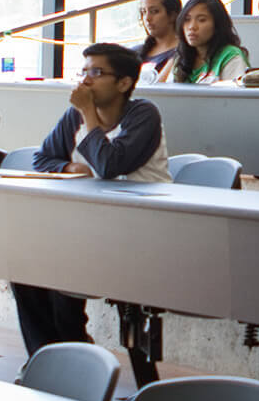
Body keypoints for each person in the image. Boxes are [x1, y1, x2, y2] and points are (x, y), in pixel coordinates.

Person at [15, 42, 170, 354]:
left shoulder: (142, 114)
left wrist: (88, 112)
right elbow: (43, 159)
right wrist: (70, 166)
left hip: (139, 227)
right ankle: (44, 356)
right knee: (24, 266)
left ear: (124, 82)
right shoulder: (72, 118)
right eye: (83, 72)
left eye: (96, 73)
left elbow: (110, 165)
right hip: (85, 225)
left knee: (63, 265)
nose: (85, 80)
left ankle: (72, 354)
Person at [170, 0, 250, 84]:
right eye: (187, 19)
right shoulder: (181, 57)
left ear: (217, 25)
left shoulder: (230, 56)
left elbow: (236, 95)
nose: (192, 27)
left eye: (201, 20)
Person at [134, 0, 183, 83]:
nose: (147, 18)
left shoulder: (184, 52)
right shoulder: (136, 52)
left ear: (172, 15)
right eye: (143, 12)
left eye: (154, 11)